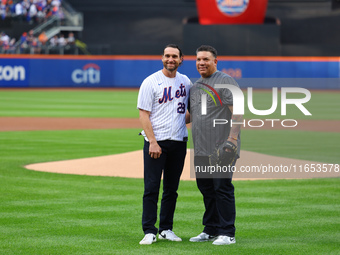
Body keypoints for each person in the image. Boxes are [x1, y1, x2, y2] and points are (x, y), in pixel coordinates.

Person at [137, 44, 191, 245]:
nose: (171, 59)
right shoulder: (150, 82)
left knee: (171, 189)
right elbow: (144, 114)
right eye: (167, 56)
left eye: (174, 56)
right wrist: (152, 141)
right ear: (162, 58)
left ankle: (166, 229)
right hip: (156, 142)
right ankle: (149, 230)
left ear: (181, 59)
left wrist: (205, 110)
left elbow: (185, 113)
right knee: (151, 187)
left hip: (178, 141)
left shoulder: (185, 81)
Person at [188, 45, 242, 245]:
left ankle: (228, 233)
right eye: (198, 59)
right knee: (206, 188)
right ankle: (211, 229)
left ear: (215, 62)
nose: (201, 63)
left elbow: (237, 111)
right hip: (201, 148)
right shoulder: (196, 86)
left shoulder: (225, 81)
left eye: (206, 59)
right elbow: (192, 116)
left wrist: (232, 140)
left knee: (222, 187)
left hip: (222, 147)